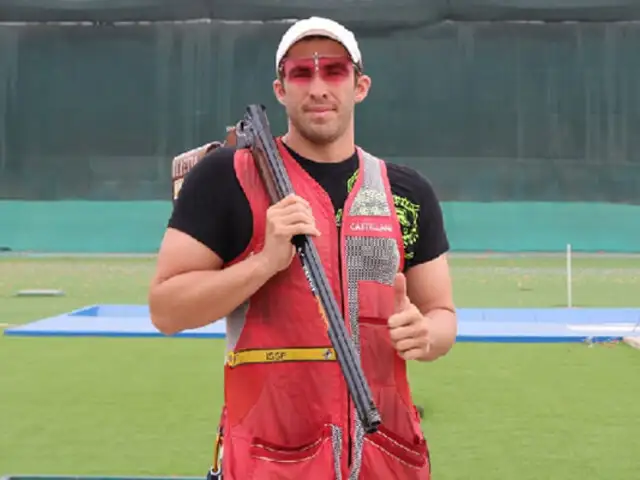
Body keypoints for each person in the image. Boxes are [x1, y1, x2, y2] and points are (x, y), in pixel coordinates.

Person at [149, 16, 457, 480]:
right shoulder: (227, 177)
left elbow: (442, 315)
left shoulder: (407, 193)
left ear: (360, 86)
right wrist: (264, 262)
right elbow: (166, 310)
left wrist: (427, 335)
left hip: (388, 459)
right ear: (280, 89)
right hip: (270, 463)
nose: (318, 87)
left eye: (333, 71)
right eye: (301, 72)